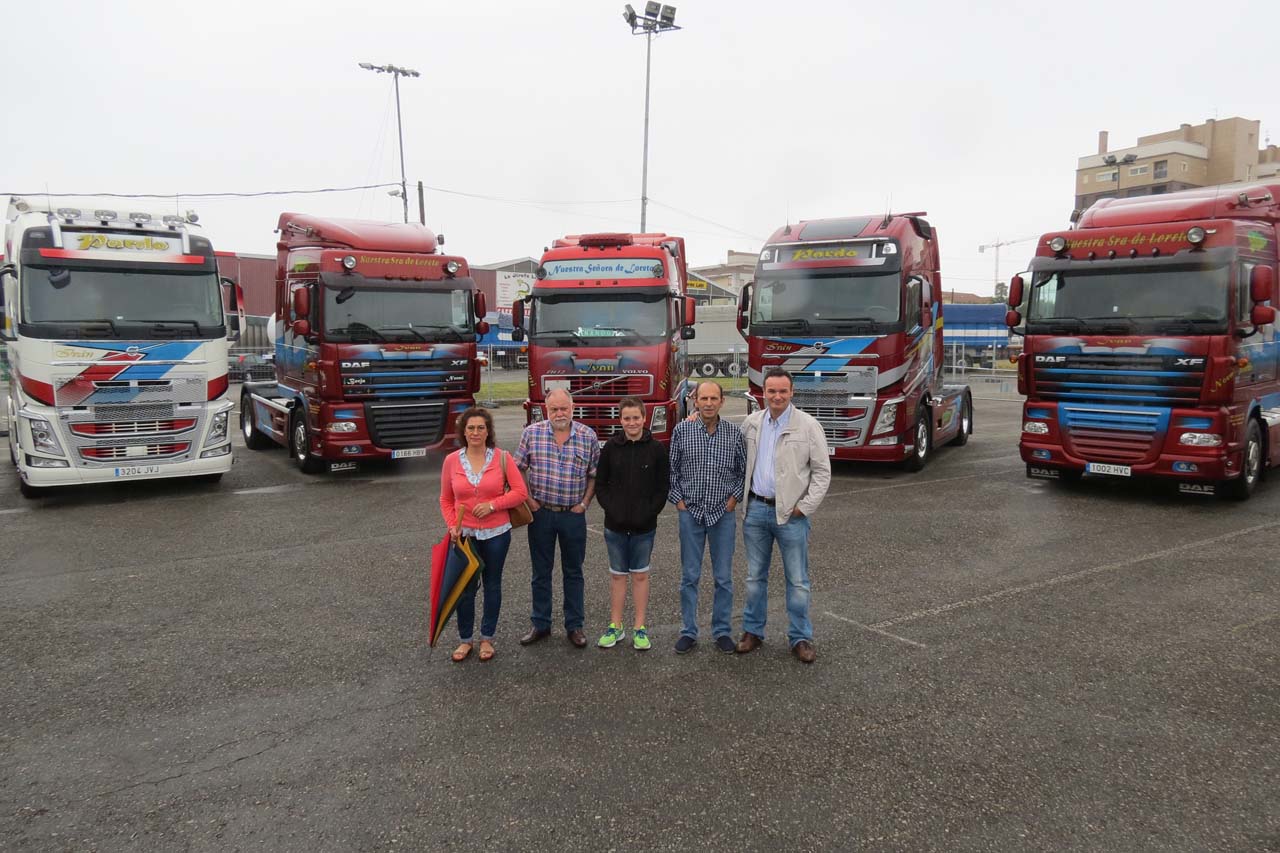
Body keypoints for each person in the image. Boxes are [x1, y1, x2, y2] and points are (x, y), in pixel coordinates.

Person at [737, 368, 831, 663]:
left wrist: (804, 507)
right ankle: (753, 631)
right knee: (754, 578)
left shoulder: (808, 426)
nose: (777, 396)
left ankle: (800, 637)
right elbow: (735, 456)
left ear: (792, 393)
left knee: (798, 580)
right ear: (763, 393)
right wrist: (693, 419)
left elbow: (822, 472)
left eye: (783, 391)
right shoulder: (751, 424)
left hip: (791, 515)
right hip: (755, 511)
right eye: (771, 391)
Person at [438, 407, 529, 663]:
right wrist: (451, 525)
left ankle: (487, 637)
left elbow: (520, 492)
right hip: (464, 535)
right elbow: (446, 498)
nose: (475, 432)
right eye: (470, 428)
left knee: (492, 584)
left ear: (488, 431)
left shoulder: (502, 457)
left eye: (480, 427)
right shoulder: (452, 461)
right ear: (463, 432)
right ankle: (465, 640)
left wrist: (493, 505)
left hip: (497, 534)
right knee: (465, 588)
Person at [515, 388, 600, 648]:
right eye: (554, 409)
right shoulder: (532, 434)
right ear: (546, 410)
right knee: (540, 572)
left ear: (572, 407)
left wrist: (585, 503)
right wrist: (530, 501)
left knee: (573, 572)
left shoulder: (587, 436)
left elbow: (594, 474)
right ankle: (540, 624)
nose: (559, 413)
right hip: (541, 515)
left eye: (564, 408)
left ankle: (574, 626)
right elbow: (517, 469)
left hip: (572, 515)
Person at [668, 380, 746, 655]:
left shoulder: (734, 434)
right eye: (704, 398)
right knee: (690, 576)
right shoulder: (682, 431)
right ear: (695, 401)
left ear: (722, 401)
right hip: (690, 513)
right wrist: (678, 501)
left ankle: (722, 631)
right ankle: (688, 631)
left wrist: (733, 499)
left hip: (722, 515)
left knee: (723, 578)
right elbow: (672, 470)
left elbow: (741, 472)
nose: (709, 403)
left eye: (714, 398)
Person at [593, 396, 670, 651]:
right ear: (620, 420)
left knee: (640, 575)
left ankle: (639, 627)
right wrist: (612, 509)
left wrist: (649, 513)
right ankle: (615, 626)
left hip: (644, 527)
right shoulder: (611, 448)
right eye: (626, 418)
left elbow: (662, 488)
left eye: (636, 417)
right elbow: (601, 485)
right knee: (617, 577)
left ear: (644, 418)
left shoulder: (657, 449)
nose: (631, 422)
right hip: (614, 525)